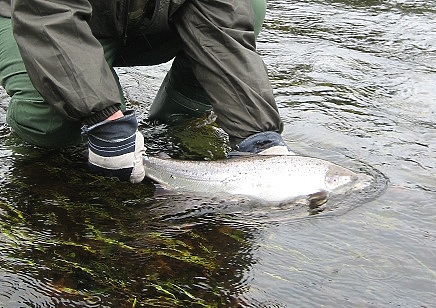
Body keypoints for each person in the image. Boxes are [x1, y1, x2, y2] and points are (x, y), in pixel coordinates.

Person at [0, 0, 292, 184]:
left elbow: (223, 33)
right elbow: (49, 15)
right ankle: (34, 162)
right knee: (52, 114)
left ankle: (178, 123)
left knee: (248, 6)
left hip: (147, 19)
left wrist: (258, 135)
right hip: (33, 15)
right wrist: (103, 119)